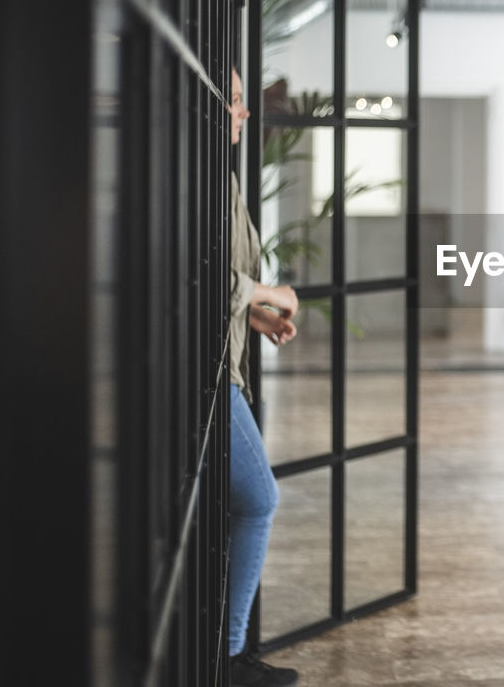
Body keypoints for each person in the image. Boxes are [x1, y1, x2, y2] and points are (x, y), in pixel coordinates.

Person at [226, 68, 301, 687]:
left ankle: (227, 653)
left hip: (223, 362)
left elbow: (215, 281)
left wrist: (254, 314)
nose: (244, 113)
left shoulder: (218, 177)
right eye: (235, 100)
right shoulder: (196, 178)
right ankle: (226, 660)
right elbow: (187, 266)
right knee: (260, 499)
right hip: (205, 377)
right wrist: (271, 291)